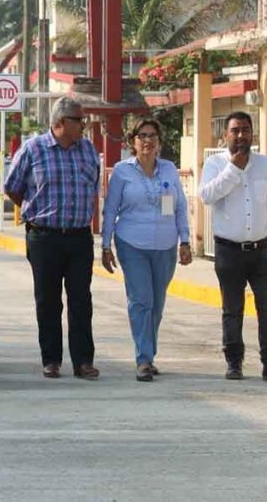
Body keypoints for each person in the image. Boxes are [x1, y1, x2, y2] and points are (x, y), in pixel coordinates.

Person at [5, 97, 101, 380]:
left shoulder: (88, 150)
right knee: (48, 301)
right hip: (44, 237)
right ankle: (52, 359)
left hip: (79, 238)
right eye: (78, 120)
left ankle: (83, 361)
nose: (84, 125)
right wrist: (36, 210)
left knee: (81, 300)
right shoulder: (34, 149)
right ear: (60, 123)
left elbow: (94, 187)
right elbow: (12, 187)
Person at [198, 111, 267, 382]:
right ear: (225, 135)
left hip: (262, 250)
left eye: (245, 130)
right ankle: (234, 362)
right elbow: (207, 195)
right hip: (229, 251)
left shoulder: (265, 165)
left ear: (253, 134)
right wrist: (234, 169)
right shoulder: (215, 163)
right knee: (232, 309)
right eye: (235, 130)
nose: (241, 136)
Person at [101, 118, 193, 382]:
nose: (148, 141)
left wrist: (184, 241)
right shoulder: (122, 171)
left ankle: (148, 353)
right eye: (142, 136)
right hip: (132, 243)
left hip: (165, 245)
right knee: (142, 300)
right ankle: (143, 358)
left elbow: (179, 207)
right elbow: (110, 210)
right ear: (133, 141)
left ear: (159, 142)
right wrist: (106, 245)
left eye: (153, 136)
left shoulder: (169, 170)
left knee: (157, 304)